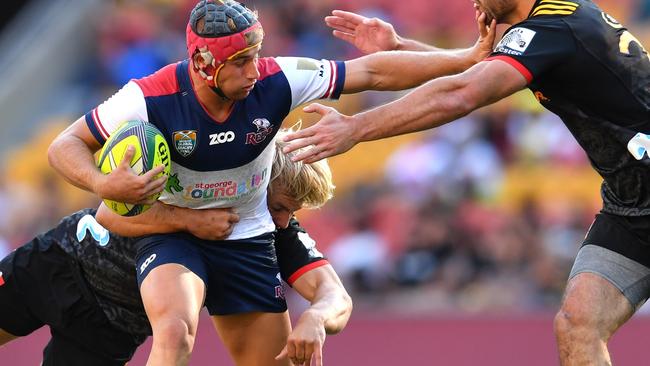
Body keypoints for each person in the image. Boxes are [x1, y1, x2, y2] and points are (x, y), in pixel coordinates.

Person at [47, 1, 496, 365]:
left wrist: (467, 58)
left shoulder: (276, 78)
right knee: (176, 333)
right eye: (240, 61)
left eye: (255, 55)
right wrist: (102, 183)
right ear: (203, 62)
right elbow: (65, 145)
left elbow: (374, 72)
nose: (253, 69)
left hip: (244, 233)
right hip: (175, 232)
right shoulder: (149, 97)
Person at [284, 1, 650, 365]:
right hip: (629, 207)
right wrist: (401, 49)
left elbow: (463, 92)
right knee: (577, 325)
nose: (474, 2)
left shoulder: (556, 28)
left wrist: (356, 127)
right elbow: (477, 69)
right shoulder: (552, 26)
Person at [0, 132, 350, 366]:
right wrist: (188, 220)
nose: (284, 222)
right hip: (60, 261)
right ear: (258, 181)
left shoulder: (272, 232)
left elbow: (335, 294)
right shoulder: (200, 171)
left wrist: (317, 317)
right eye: (280, 206)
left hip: (110, 328)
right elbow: (109, 213)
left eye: (292, 212)